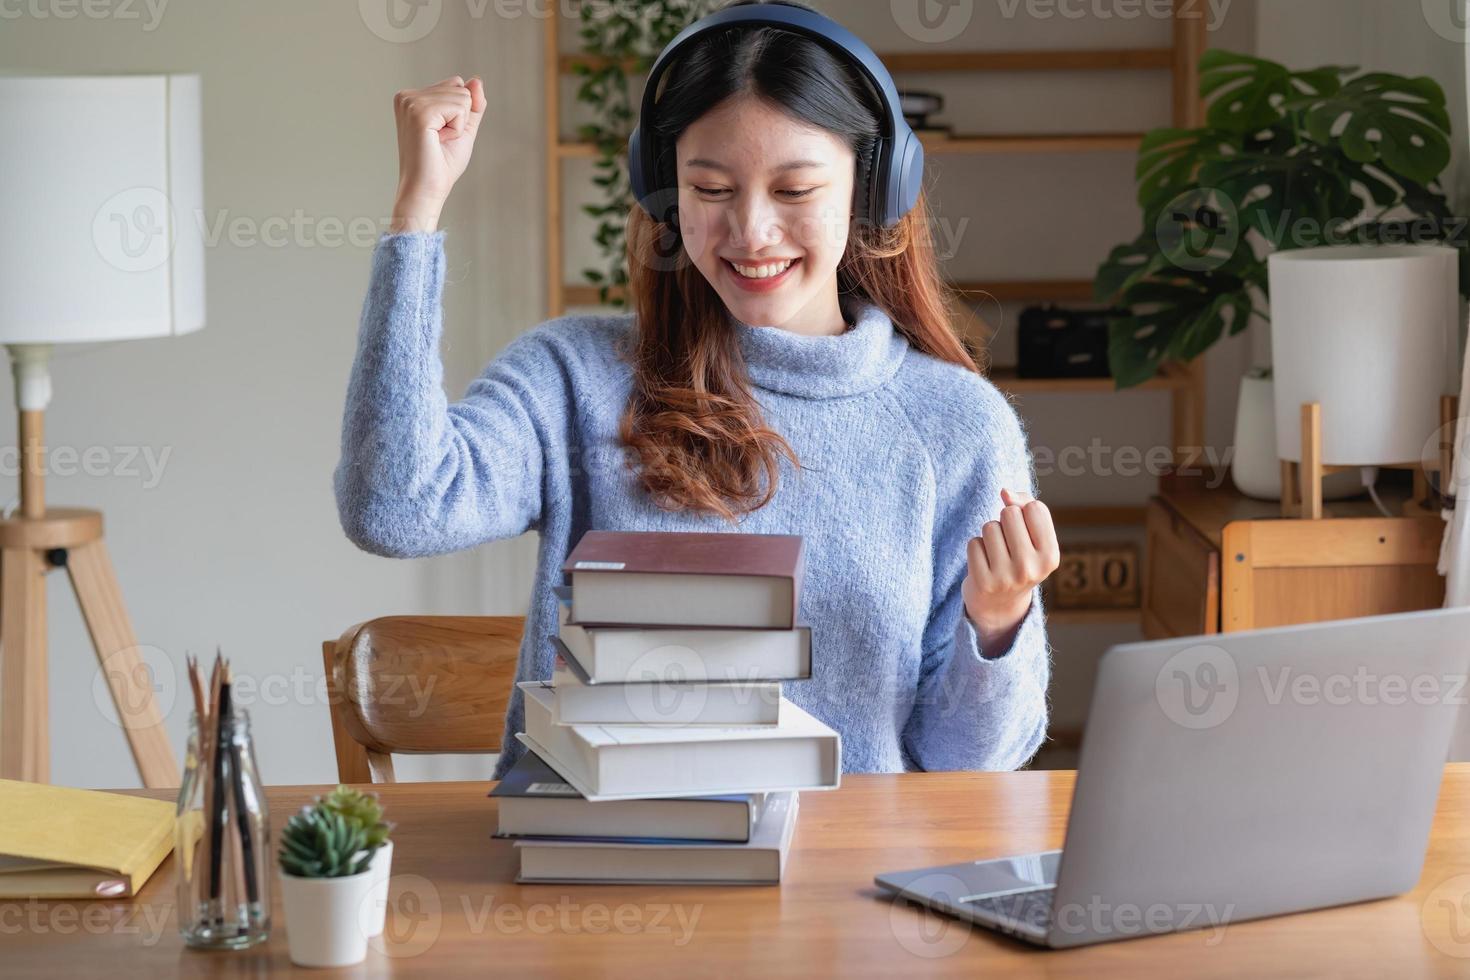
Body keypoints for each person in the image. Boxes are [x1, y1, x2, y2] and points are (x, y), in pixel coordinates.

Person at [335, 0, 1059, 779]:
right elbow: (396, 508)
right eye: (711, 189)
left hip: (843, 881)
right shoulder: (574, 375)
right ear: (665, 194)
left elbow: (968, 769)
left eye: (793, 191)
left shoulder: (956, 427)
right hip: (605, 876)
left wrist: (997, 628)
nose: (750, 231)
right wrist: (417, 217)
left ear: (870, 191)